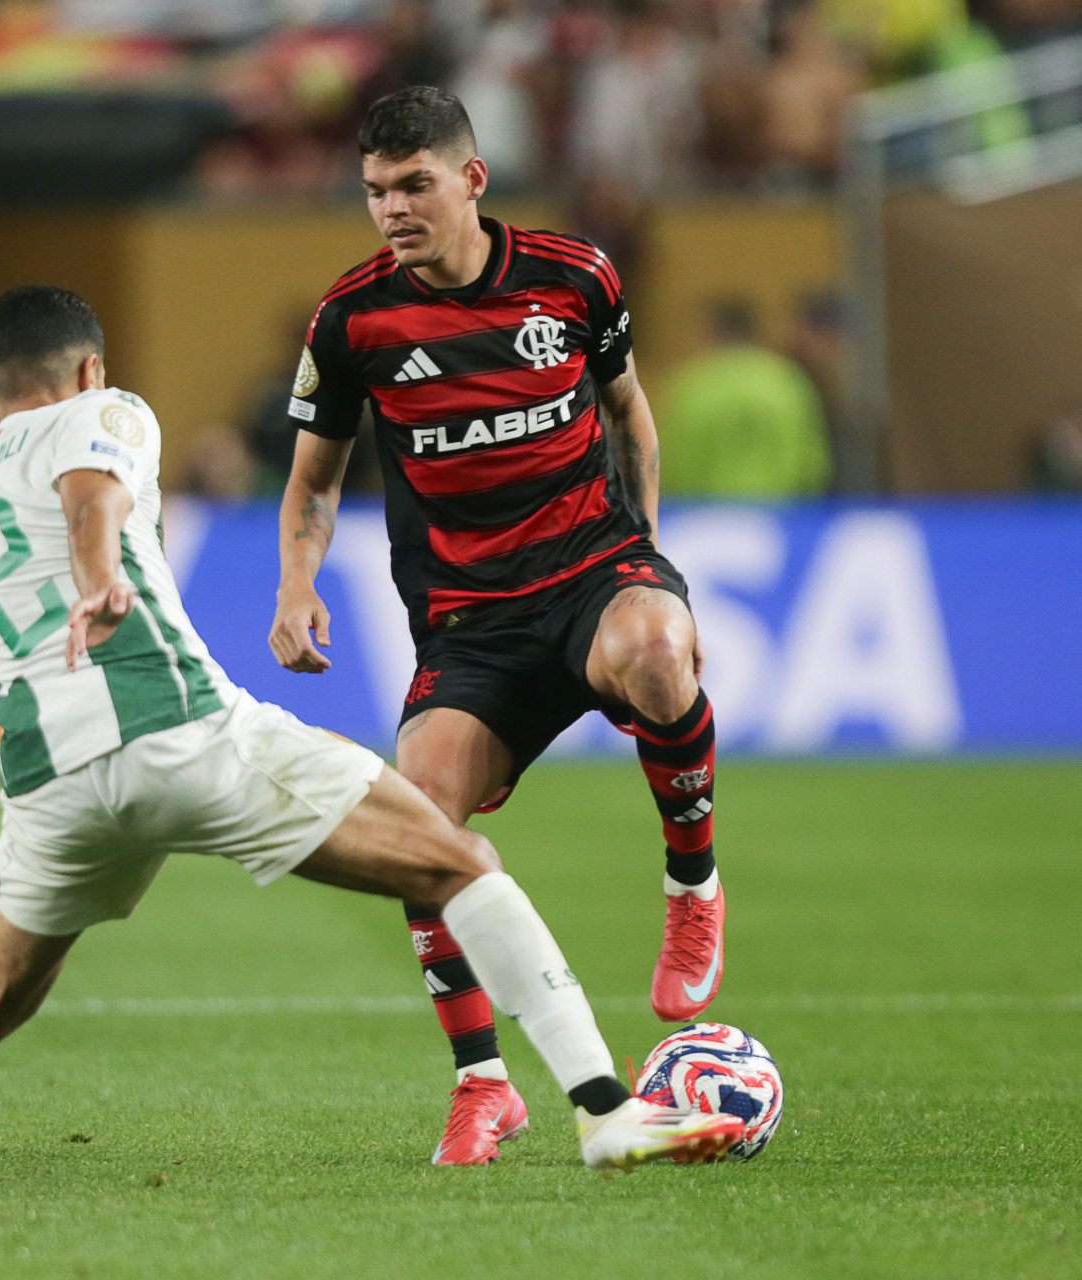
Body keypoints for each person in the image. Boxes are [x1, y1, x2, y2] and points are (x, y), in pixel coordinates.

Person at [0, 286, 742, 1202]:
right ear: (89, 369)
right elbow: (93, 496)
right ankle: (606, 1108)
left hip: (49, 789)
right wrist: (99, 576)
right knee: (459, 858)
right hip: (179, 733)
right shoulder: (107, 412)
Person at [269, 87, 726, 1167]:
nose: (392, 208)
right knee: (418, 822)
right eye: (376, 190)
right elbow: (311, 483)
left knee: (658, 649)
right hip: (471, 622)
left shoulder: (575, 276)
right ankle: (485, 1081)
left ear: (471, 178)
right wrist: (297, 583)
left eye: (413, 184)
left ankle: (693, 886)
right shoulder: (352, 320)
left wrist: (648, 558)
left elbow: (628, 412)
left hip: (589, 571)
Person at [658, 298, 833, 497]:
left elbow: (674, 460)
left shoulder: (692, 384)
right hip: (780, 513)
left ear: (713, 331)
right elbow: (812, 461)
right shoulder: (787, 381)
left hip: (706, 515)